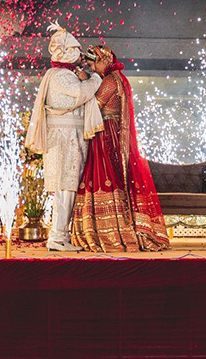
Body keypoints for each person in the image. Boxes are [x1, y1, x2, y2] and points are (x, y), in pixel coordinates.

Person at [71, 45, 170, 252]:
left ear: (103, 60)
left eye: (93, 64)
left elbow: (93, 104)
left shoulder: (109, 80)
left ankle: (110, 231)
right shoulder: (118, 78)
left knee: (105, 175)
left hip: (106, 132)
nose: (92, 68)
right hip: (109, 131)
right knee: (111, 176)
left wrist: (83, 82)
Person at [24, 22, 103, 252]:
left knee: (66, 187)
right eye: (76, 50)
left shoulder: (64, 74)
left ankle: (60, 236)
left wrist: (85, 75)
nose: (80, 55)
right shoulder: (61, 76)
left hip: (68, 137)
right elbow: (82, 93)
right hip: (64, 139)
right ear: (66, 52)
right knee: (64, 187)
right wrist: (95, 78)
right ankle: (58, 237)